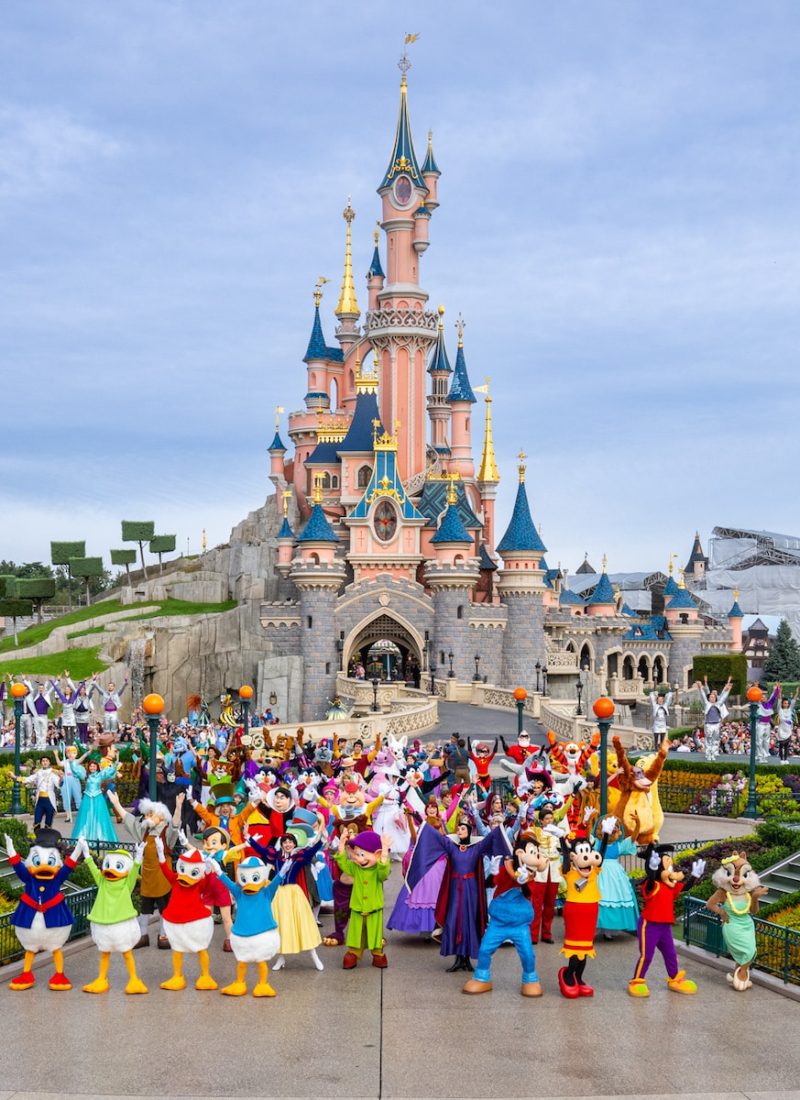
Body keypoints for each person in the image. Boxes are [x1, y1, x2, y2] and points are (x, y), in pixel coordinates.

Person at [407, 813, 510, 973]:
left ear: (469, 831)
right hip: (455, 889)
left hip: (471, 891)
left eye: (463, 828)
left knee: (469, 921)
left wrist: (506, 822)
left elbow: (492, 837)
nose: (460, 831)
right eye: (459, 828)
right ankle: (457, 959)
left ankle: (467, 959)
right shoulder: (451, 846)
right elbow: (435, 836)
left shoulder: (477, 848)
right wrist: (421, 822)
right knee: (455, 920)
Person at [72, 758, 119, 842]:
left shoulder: (100, 775)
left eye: (94, 766)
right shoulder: (85, 775)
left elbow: (111, 772)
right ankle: (84, 838)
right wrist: (72, 762)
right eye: (91, 766)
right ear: (88, 767)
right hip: (87, 798)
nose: (92, 768)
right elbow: (75, 771)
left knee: (99, 817)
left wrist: (116, 761)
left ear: (97, 767)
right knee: (86, 818)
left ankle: (101, 838)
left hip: (98, 798)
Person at [14, 756, 61, 828]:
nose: (45, 762)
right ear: (41, 763)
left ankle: (46, 838)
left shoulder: (53, 773)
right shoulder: (38, 773)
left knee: (48, 824)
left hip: (50, 801)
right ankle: (37, 838)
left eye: (46, 761)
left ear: (49, 762)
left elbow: (58, 784)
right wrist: (14, 777)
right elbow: (28, 779)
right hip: (40, 801)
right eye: (43, 761)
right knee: (37, 822)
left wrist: (62, 777)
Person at [695, 677, 732, 762]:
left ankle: (714, 753)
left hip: (716, 724)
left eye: (713, 697)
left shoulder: (718, 704)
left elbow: (723, 697)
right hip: (708, 724)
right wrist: (700, 687)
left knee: (715, 739)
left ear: (715, 698)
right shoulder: (706, 704)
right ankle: (708, 754)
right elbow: (703, 695)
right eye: (710, 697)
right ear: (709, 698)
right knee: (708, 739)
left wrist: (728, 690)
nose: (712, 698)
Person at [54, 742, 88, 824]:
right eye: (68, 753)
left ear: (76, 754)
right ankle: (68, 816)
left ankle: (81, 815)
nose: (71, 754)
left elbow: (83, 757)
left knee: (78, 796)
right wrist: (56, 755)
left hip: (74, 779)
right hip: (66, 779)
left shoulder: (76, 761)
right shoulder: (65, 761)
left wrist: (88, 751)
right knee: (66, 797)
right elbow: (59, 764)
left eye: (73, 753)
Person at [24, 679, 53, 750]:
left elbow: (51, 689)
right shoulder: (35, 696)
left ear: (44, 689)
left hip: (44, 716)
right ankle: (38, 744)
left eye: (42, 688)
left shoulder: (46, 696)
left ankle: (43, 745)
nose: (40, 689)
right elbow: (30, 688)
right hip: (36, 716)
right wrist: (25, 680)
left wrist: (55, 681)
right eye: (39, 688)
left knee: (43, 731)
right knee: (37, 732)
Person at [776, 688, 799, 761]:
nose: (786, 704)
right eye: (785, 703)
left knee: (786, 746)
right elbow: (779, 699)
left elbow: (794, 701)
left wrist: (796, 692)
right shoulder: (780, 709)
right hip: (781, 730)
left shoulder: (790, 710)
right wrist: (779, 692)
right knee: (781, 745)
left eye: (787, 703)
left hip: (788, 730)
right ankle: (781, 759)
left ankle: (785, 759)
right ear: (782, 704)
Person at [649, 687, 674, 753]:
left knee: (663, 737)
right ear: (657, 700)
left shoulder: (665, 705)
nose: (660, 701)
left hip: (663, 723)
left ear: (663, 700)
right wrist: (651, 692)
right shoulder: (655, 705)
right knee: (656, 736)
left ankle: (662, 747)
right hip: (657, 723)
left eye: (661, 700)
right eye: (659, 700)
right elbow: (652, 700)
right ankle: (656, 748)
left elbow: (668, 700)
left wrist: (670, 692)